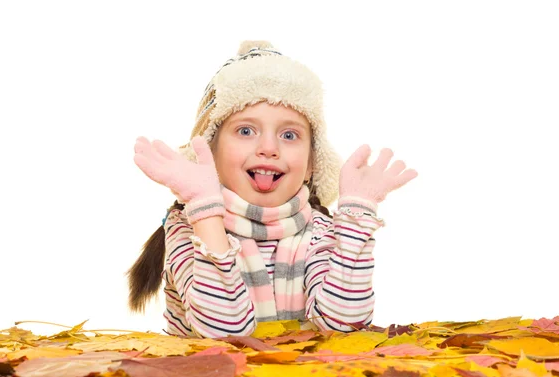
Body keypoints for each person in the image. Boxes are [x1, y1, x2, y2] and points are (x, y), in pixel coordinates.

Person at [127, 40, 418, 338]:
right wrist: (203, 209)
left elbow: (344, 326)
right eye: (245, 131)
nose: (268, 148)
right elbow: (225, 333)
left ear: (311, 165)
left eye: (289, 134)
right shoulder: (189, 229)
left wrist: (358, 215)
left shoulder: (319, 230)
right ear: (209, 154)